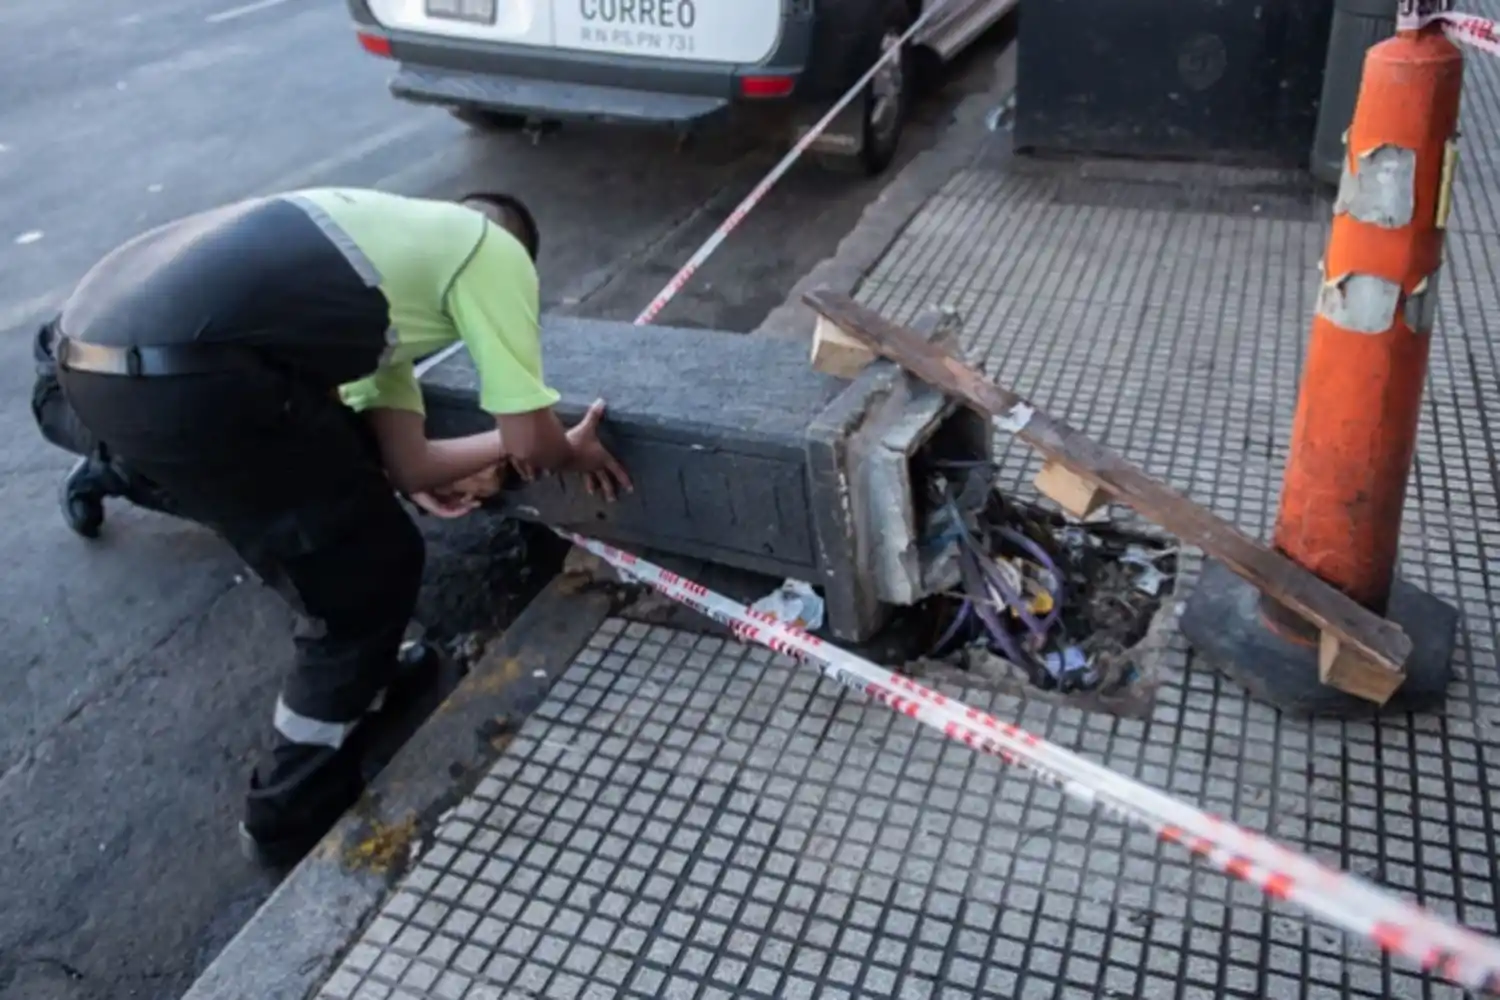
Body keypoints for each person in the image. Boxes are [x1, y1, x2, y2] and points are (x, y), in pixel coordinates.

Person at [37, 187, 631, 867]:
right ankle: (286, 814)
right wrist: (572, 447)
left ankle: (360, 669)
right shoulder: (494, 249)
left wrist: (474, 458)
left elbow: (409, 465)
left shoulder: (370, 270)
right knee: (365, 573)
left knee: (338, 496)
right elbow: (530, 440)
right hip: (187, 384)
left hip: (82, 360)